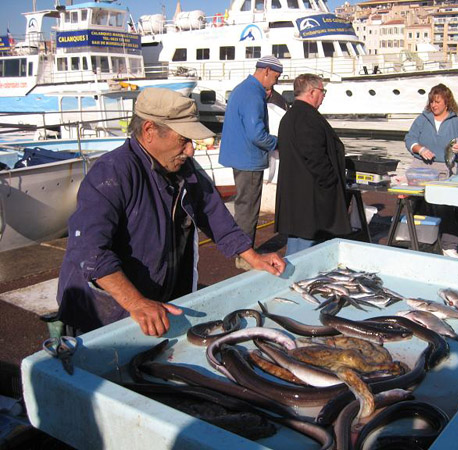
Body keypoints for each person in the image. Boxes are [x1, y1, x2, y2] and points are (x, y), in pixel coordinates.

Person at [56, 88, 286, 336]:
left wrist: (252, 256)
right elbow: (89, 250)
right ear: (149, 131)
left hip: (160, 305)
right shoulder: (111, 172)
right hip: (105, 314)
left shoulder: (184, 168)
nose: (190, 150)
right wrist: (136, 302)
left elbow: (213, 213)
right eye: (183, 140)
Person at [275, 73, 352, 255]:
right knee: (307, 250)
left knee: (297, 248)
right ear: (311, 92)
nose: (323, 95)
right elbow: (314, 155)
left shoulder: (291, 116)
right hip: (312, 197)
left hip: (298, 195)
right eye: (322, 91)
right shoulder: (307, 117)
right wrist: (331, 182)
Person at [219, 55, 282, 269]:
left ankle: (242, 250)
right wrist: (278, 143)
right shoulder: (253, 94)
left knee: (243, 205)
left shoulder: (243, 89)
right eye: (276, 76)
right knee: (248, 208)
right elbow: (258, 135)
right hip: (249, 158)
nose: (276, 81)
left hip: (240, 156)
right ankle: (244, 257)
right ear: (265, 71)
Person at [404, 83, 458, 258]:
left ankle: (449, 245)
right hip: (420, 168)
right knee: (413, 201)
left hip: (445, 168)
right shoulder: (422, 119)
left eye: (437, 102)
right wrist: (420, 149)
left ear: (446, 102)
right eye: (432, 102)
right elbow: (409, 139)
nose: (434, 105)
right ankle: (412, 240)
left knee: (444, 205)